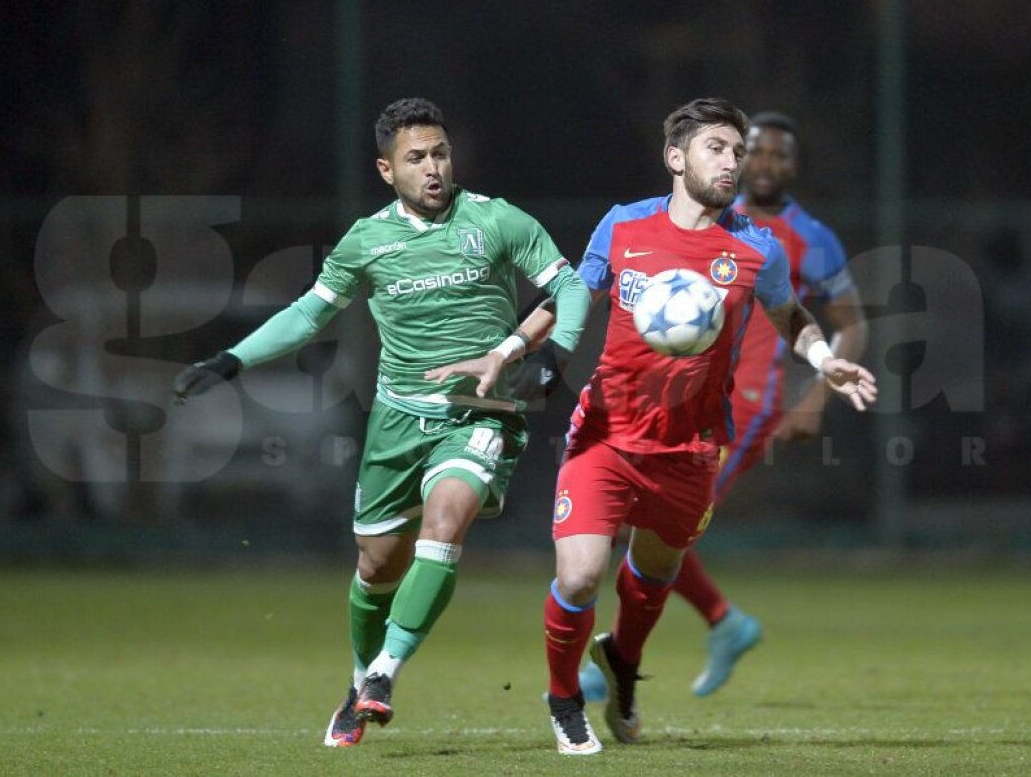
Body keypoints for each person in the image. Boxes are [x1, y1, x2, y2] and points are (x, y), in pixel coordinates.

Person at [438, 98, 877, 754]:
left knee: (652, 575)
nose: (732, 162)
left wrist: (824, 360)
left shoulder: (756, 247)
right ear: (676, 158)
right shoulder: (623, 226)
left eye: (736, 149)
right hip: (607, 433)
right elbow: (569, 298)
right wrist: (507, 352)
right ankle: (564, 699)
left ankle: (621, 664)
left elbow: (789, 316)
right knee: (583, 575)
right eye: (717, 148)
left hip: (693, 446)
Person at [171, 97, 590, 748]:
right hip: (396, 420)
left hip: (478, 414)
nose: (433, 168)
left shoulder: (497, 220)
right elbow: (308, 315)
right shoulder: (368, 240)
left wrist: (552, 356)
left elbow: (570, 287)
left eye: (440, 153)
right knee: (374, 567)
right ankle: (360, 675)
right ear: (385, 169)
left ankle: (385, 673)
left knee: (447, 518)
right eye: (416, 158)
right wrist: (231, 359)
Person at [574, 111, 869, 701]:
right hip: (660, 404)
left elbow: (847, 324)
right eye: (748, 150)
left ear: (792, 166)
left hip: (745, 404)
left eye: (775, 155)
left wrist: (813, 399)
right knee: (649, 529)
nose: (758, 163)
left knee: (659, 528)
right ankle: (720, 624)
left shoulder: (800, 239)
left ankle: (626, 659)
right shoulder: (684, 220)